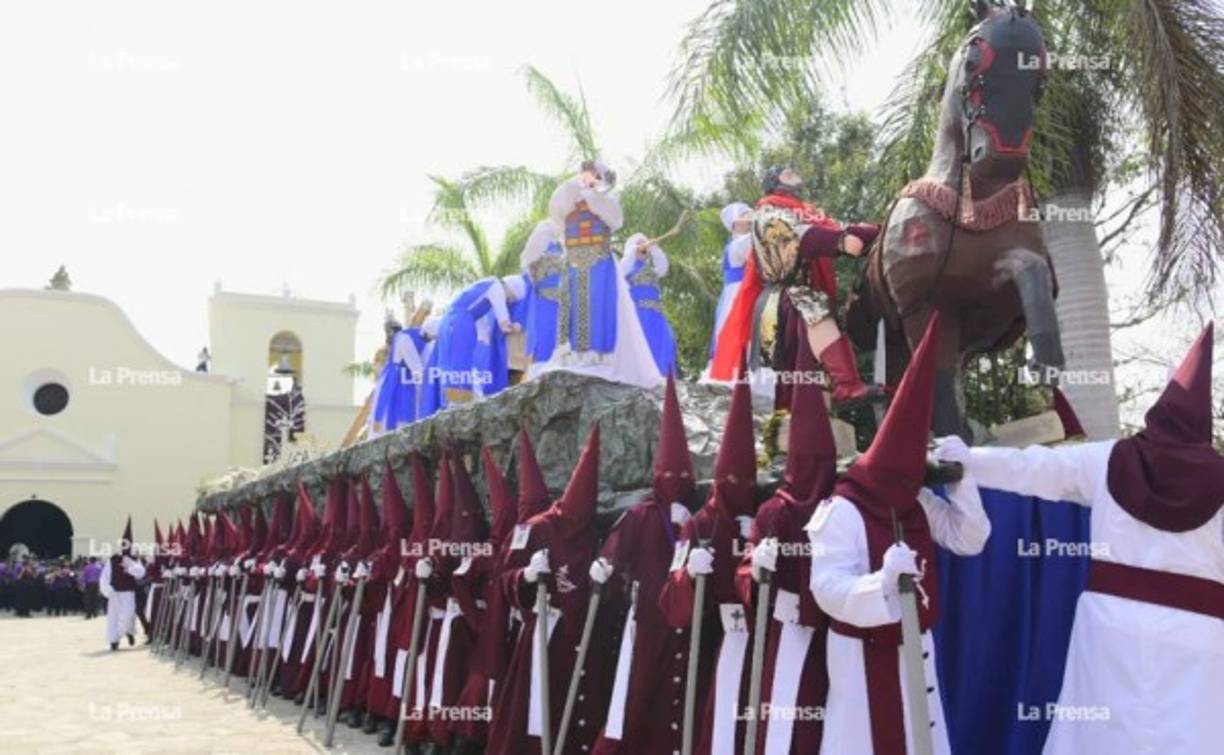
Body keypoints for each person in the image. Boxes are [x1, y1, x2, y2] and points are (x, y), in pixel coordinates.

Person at [939, 322, 1223, 755]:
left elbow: (1031, 468)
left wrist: (968, 459)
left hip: (1111, 623)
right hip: (1200, 634)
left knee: (1101, 737)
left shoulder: (1111, 458)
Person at [805, 315, 990, 755]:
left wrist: (962, 484)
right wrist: (880, 583)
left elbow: (969, 539)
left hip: (916, 647)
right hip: (864, 654)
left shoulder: (913, 501)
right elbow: (825, 587)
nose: (914, 491)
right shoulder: (842, 510)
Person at [734, 333, 836, 754]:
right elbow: (744, 572)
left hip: (838, 638)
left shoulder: (842, 506)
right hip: (785, 635)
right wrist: (756, 569)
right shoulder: (774, 513)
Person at [710, 167, 885, 408]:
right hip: (780, 296)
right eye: (784, 171)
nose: (791, 170)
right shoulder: (766, 211)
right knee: (811, 312)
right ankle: (846, 384)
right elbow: (794, 234)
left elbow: (836, 227)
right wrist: (840, 242)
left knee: (811, 380)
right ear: (773, 181)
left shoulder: (808, 212)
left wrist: (879, 230)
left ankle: (830, 406)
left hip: (803, 294)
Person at [589, 373, 698, 755]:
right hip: (647, 624)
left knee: (678, 696)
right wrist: (603, 566)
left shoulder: (696, 516)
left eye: (681, 475)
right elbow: (614, 551)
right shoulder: (641, 515)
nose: (674, 482)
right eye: (667, 475)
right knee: (636, 697)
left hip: (684, 623)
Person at [485, 425, 609, 755]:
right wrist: (526, 575)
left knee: (578, 707)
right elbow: (504, 578)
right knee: (534, 707)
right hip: (546, 629)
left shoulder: (595, 532)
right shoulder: (537, 528)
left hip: (584, 633)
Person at [658, 370, 759, 755]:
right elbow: (671, 601)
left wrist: (754, 542)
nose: (738, 488)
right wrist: (688, 574)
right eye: (731, 479)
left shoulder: (757, 519)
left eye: (745, 481)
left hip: (753, 638)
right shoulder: (699, 525)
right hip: (709, 641)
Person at [533, 160, 662, 389]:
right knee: (571, 308)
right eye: (586, 174)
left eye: (594, 174)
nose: (589, 178)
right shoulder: (567, 197)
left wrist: (592, 193)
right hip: (573, 261)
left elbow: (615, 219)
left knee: (599, 306)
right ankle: (572, 354)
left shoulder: (606, 201)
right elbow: (557, 212)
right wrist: (578, 188)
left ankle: (598, 356)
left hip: (599, 260)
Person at [434, 276, 525, 408]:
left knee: (453, 363)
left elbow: (478, 317)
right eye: (511, 298)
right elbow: (503, 321)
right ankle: (459, 403)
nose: (509, 301)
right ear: (510, 288)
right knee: (461, 362)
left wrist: (485, 336)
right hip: (460, 322)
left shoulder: (485, 285)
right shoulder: (496, 287)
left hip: (452, 321)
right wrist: (514, 326)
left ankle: (453, 401)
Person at [620, 233, 677, 376]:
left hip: (656, 315)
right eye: (639, 245)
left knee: (665, 341)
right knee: (641, 344)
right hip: (638, 314)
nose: (643, 248)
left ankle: (662, 377)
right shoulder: (627, 269)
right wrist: (634, 248)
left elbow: (663, 267)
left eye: (644, 246)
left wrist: (655, 247)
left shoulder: (652, 271)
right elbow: (622, 267)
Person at [709, 202, 753, 364]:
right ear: (735, 224)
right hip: (739, 292)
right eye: (745, 216)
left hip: (747, 289)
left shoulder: (741, 241)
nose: (749, 220)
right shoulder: (737, 244)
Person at [520, 219, 566, 366]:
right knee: (545, 339)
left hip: (563, 304)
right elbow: (528, 277)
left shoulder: (561, 248)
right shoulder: (535, 252)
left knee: (561, 342)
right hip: (544, 303)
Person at [100, 517, 147, 650]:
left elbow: (141, 572)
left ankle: (127, 632)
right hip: (115, 593)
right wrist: (107, 590)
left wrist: (130, 568)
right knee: (113, 618)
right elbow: (104, 577)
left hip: (128, 593)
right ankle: (114, 641)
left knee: (127, 616)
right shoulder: (113, 560)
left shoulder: (133, 559)